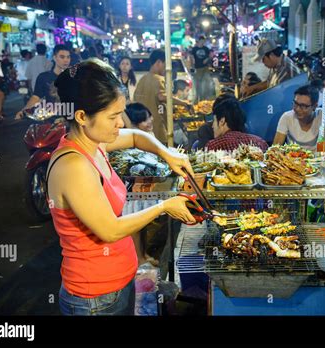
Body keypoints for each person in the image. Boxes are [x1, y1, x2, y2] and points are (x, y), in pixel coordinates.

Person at [48, 58, 196, 316]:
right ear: (82, 116)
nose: (120, 123)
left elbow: (138, 136)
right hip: (94, 298)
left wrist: (168, 154)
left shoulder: (95, 144)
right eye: (114, 116)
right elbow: (110, 230)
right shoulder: (73, 165)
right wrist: (164, 206)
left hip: (114, 287)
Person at [133, 49, 193, 145]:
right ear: (159, 62)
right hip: (156, 127)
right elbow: (162, 97)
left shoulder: (142, 79)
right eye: (165, 65)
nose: (166, 68)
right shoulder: (158, 79)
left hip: (142, 128)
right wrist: (184, 103)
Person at [15, 45, 71, 119]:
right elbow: (36, 97)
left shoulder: (75, 77)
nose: (66, 60)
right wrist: (23, 110)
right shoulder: (44, 77)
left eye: (68, 57)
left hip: (73, 120)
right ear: (54, 58)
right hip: (52, 120)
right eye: (62, 57)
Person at [273, 85, 322, 151]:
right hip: (292, 159)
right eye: (295, 104)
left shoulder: (322, 116)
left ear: (314, 106)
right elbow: (275, 148)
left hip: (317, 159)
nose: (298, 109)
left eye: (303, 106)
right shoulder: (287, 117)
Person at [190, 36, 214, 102]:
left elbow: (210, 55)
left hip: (205, 68)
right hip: (197, 68)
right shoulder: (194, 49)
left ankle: (204, 99)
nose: (203, 42)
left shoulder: (206, 49)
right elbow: (192, 58)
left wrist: (207, 59)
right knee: (198, 84)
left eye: (204, 41)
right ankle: (197, 98)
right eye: (202, 41)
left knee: (206, 83)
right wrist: (192, 66)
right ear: (199, 41)